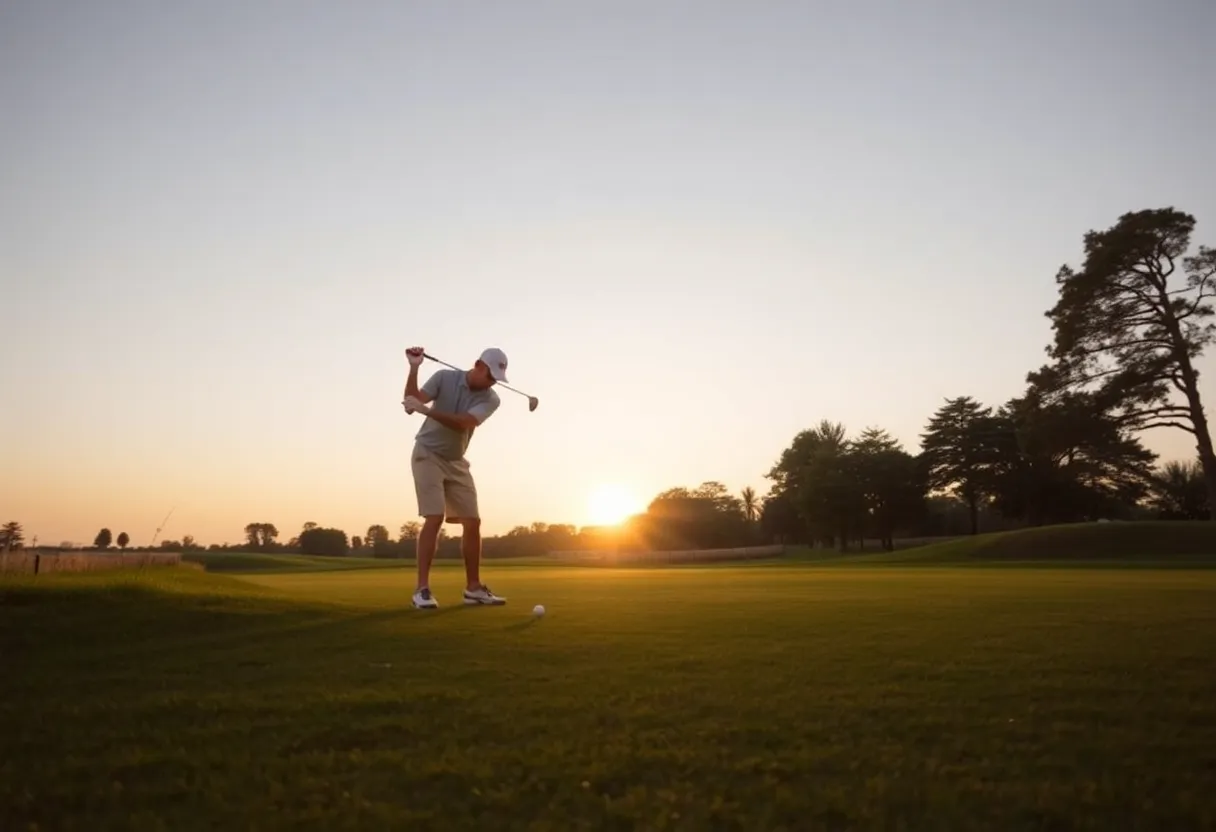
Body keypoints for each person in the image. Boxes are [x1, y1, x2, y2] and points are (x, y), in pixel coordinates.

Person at [401, 345, 509, 609]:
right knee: (434, 517)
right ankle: (422, 590)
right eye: (490, 376)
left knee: (473, 522)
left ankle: (473, 588)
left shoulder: (492, 399)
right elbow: (411, 401)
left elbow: (463, 422)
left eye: (496, 379)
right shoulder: (443, 378)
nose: (492, 382)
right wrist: (414, 368)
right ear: (477, 365)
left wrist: (426, 411)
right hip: (427, 453)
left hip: (456, 461)